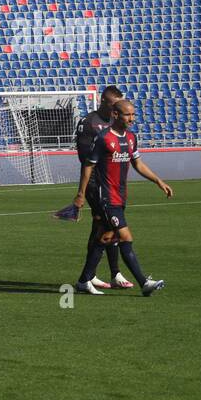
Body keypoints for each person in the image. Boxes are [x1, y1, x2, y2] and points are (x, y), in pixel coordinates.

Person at [72, 99, 172, 297]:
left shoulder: (131, 137)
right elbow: (88, 166)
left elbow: (138, 164)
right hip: (106, 197)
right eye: (128, 115)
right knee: (125, 236)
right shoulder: (103, 138)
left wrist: (158, 181)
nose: (132, 119)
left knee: (105, 237)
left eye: (133, 114)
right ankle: (144, 282)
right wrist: (81, 194)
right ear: (116, 115)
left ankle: (84, 280)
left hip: (121, 196)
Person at [67, 85, 130, 290]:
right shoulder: (89, 124)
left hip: (112, 184)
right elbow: (86, 160)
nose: (117, 109)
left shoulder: (114, 120)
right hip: (97, 185)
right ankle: (100, 276)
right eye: (114, 105)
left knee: (102, 227)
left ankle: (98, 275)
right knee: (108, 227)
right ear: (103, 101)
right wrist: (84, 191)